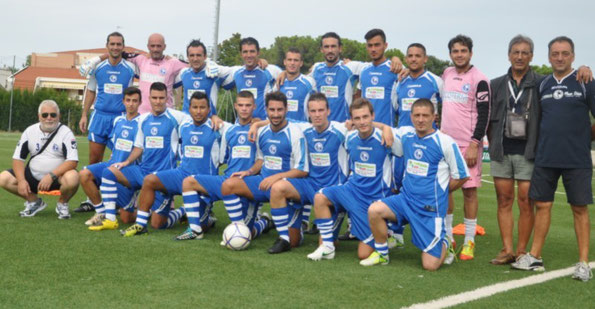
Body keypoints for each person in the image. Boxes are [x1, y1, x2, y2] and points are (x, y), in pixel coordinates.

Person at [489, 35, 593, 265]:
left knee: (540, 203)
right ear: (509, 55)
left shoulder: (552, 82)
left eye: (525, 52)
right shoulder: (508, 84)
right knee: (518, 202)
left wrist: (585, 68)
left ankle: (531, 252)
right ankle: (518, 252)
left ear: (532, 57)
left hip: (543, 152)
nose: (519, 56)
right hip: (520, 152)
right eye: (515, 52)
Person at [362, 99, 469, 269]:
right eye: (417, 115)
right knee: (374, 210)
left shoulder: (445, 141)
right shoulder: (406, 134)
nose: (420, 119)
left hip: (429, 208)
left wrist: (443, 191)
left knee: (430, 266)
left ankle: (445, 242)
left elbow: (462, 175)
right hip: (405, 201)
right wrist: (386, 128)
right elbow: (379, 127)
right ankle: (382, 254)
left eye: (425, 115)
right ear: (411, 116)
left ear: (434, 116)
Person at [89, 82, 191, 234]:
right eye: (154, 97)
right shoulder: (143, 119)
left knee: (158, 224)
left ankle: (182, 211)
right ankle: (110, 219)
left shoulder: (178, 118)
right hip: (142, 171)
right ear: (149, 98)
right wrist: (127, 162)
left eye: (161, 98)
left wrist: (215, 118)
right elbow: (139, 147)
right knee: (109, 172)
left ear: (167, 98)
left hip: (161, 177)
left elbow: (198, 120)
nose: (158, 101)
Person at [307, 98, 398, 262]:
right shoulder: (349, 138)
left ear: (373, 116)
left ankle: (387, 233)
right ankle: (327, 247)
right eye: (357, 118)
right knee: (320, 196)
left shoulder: (386, 137)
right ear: (352, 120)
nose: (362, 122)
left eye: (365, 117)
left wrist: (385, 127)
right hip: (352, 190)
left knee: (363, 254)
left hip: (373, 200)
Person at [120, 91, 222, 236]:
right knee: (149, 180)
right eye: (195, 107)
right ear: (189, 109)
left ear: (209, 109)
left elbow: (248, 125)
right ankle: (140, 225)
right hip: (182, 174)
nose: (198, 111)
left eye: (202, 107)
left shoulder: (219, 128)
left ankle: (202, 218)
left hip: (203, 181)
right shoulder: (183, 124)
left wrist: (216, 117)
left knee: (201, 226)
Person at [175, 91, 271, 241]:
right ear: (235, 106)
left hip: (246, 184)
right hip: (226, 180)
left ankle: (264, 222)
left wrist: (259, 123)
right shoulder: (227, 129)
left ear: (254, 107)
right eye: (241, 105)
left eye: (248, 105)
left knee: (246, 234)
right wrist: (213, 115)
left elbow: (281, 122)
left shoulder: (262, 131)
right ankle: (195, 229)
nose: (244, 109)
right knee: (189, 182)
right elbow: (222, 155)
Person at [220, 91, 308, 253]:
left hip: (285, 188)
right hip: (263, 183)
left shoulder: (295, 134)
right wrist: (249, 171)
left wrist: (277, 177)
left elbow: (302, 170)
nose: (275, 114)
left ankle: (288, 233)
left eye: (279, 110)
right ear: (266, 111)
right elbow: (261, 159)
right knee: (229, 185)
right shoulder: (262, 132)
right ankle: (240, 229)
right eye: (272, 110)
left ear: (286, 110)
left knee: (295, 241)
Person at [440, 34, 490, 262]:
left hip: (468, 145)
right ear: (450, 54)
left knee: (469, 192)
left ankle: (469, 241)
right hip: (446, 143)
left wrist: (474, 144)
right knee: (446, 189)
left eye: (463, 51)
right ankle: (449, 237)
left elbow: (484, 114)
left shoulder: (479, 78)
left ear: (471, 53)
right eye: (455, 51)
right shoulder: (447, 73)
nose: (459, 55)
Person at [76, 32, 136, 213]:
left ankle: (122, 200)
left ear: (123, 46)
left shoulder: (130, 69)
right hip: (100, 117)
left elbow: (132, 95)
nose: (115, 47)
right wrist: (84, 114)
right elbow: (91, 91)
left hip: (119, 119)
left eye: (119, 44)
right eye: (112, 44)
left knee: (122, 160)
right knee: (95, 159)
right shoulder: (98, 67)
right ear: (107, 45)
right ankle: (92, 200)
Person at [0, 100, 79, 219]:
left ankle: (62, 204)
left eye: (53, 115)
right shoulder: (29, 131)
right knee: (3, 178)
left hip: (57, 178)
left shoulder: (66, 133)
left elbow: (72, 161)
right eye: (45, 115)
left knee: (73, 177)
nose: (49, 118)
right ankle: (34, 202)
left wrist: (51, 175)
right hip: (33, 175)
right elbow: (18, 158)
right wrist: (21, 180)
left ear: (59, 116)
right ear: (39, 116)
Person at [80, 87, 142, 227]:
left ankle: (143, 210)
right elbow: (114, 145)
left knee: (127, 218)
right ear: (123, 102)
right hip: (112, 165)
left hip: (128, 172)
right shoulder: (118, 121)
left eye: (134, 101)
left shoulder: (142, 123)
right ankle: (101, 212)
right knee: (84, 174)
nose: (131, 104)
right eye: (128, 100)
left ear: (140, 102)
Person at [222, 37, 282, 120]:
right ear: (241, 54)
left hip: (263, 125)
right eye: (245, 52)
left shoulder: (271, 70)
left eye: (252, 51)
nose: (249, 55)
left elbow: (289, 77)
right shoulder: (236, 72)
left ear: (258, 52)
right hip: (242, 125)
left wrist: (285, 72)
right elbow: (215, 73)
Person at [174, 39, 226, 115]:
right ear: (188, 57)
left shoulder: (214, 72)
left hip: (208, 122)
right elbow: (166, 81)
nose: (195, 59)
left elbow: (235, 73)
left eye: (198, 55)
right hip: (187, 122)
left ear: (205, 56)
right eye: (192, 55)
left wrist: (211, 63)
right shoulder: (183, 73)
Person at [359, 28, 399, 126]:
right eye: (370, 45)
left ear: (385, 46)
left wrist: (396, 58)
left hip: (386, 130)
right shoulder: (363, 70)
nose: (373, 49)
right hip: (365, 130)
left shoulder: (395, 68)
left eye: (377, 45)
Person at [277, 48, 316, 121]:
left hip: (302, 128)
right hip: (282, 128)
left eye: (296, 60)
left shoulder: (309, 82)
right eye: (289, 60)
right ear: (285, 62)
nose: (292, 63)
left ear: (301, 63)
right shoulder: (279, 82)